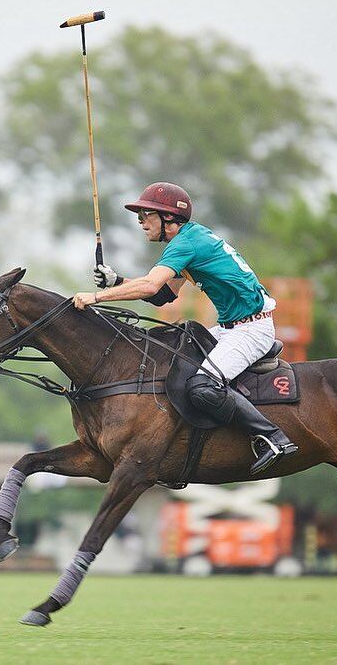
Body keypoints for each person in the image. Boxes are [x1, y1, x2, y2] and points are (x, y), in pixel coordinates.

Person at [73, 182, 298, 473]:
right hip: (231, 328)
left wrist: (96, 297)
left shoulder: (187, 243)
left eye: (145, 215)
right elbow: (163, 295)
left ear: (168, 218)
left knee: (203, 386)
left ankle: (272, 437)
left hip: (251, 329)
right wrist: (117, 282)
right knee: (173, 357)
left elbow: (151, 284)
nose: (140, 222)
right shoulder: (189, 240)